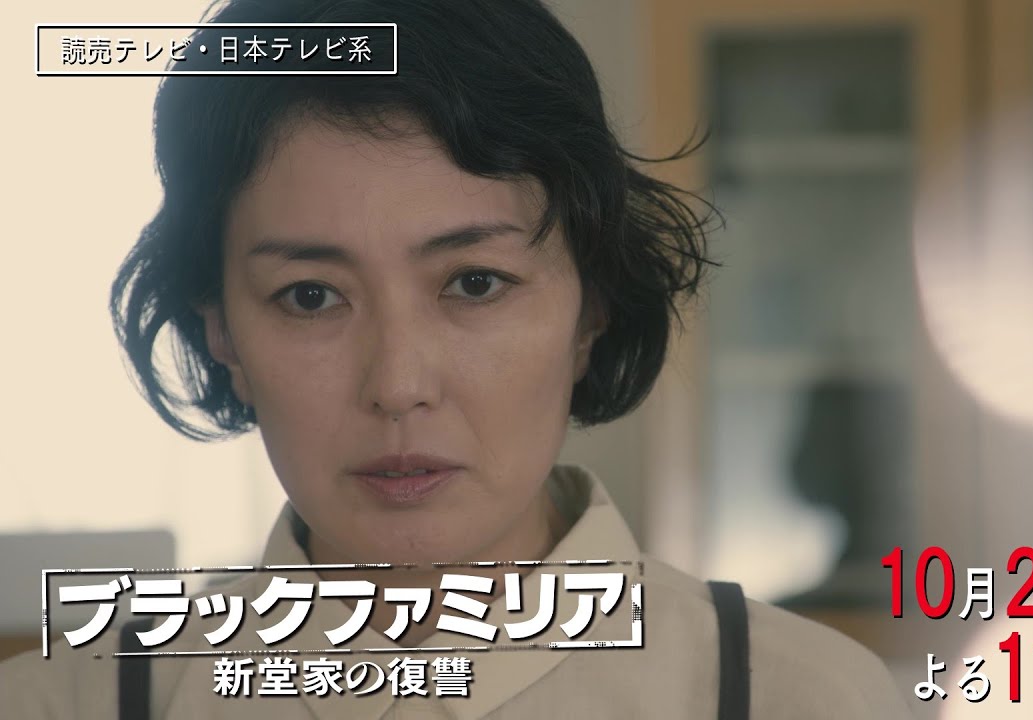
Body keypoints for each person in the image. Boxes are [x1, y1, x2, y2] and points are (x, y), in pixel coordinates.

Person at [0, 1, 912, 717]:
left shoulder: (794, 697)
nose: (398, 385)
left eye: (475, 283)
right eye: (310, 296)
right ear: (222, 332)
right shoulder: (67, 702)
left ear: (591, 307)